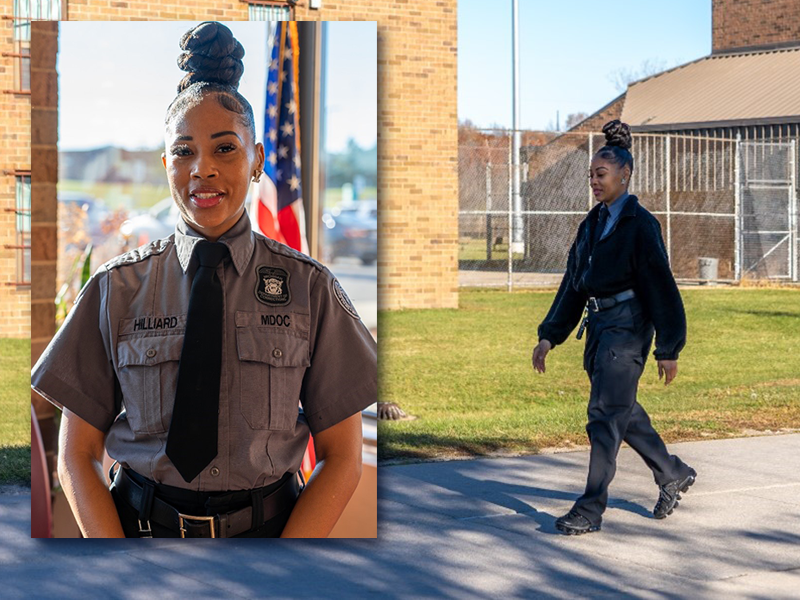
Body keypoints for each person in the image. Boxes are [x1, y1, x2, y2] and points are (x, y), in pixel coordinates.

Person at [31, 22, 377, 538]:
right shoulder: (114, 290)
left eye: (224, 149)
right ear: (166, 162)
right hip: (142, 537)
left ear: (258, 160)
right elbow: (76, 457)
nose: (203, 170)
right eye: (185, 151)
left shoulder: (311, 289)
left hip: (271, 540)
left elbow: (342, 456)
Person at [531, 120, 696, 536]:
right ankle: (672, 472)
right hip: (600, 327)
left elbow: (661, 285)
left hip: (629, 326)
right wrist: (550, 334)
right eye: (590, 175)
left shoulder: (641, 225)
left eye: (600, 174)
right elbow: (574, 284)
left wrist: (669, 347)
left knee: (604, 415)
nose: (594, 182)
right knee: (620, 408)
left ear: (624, 174)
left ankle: (589, 509)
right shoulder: (591, 225)